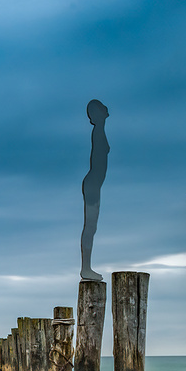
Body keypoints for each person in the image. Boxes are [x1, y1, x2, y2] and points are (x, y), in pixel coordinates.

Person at [79, 98, 109, 282]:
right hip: (92, 184)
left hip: (94, 183)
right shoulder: (98, 131)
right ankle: (85, 268)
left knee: (92, 226)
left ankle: (87, 267)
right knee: (90, 226)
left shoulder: (100, 130)